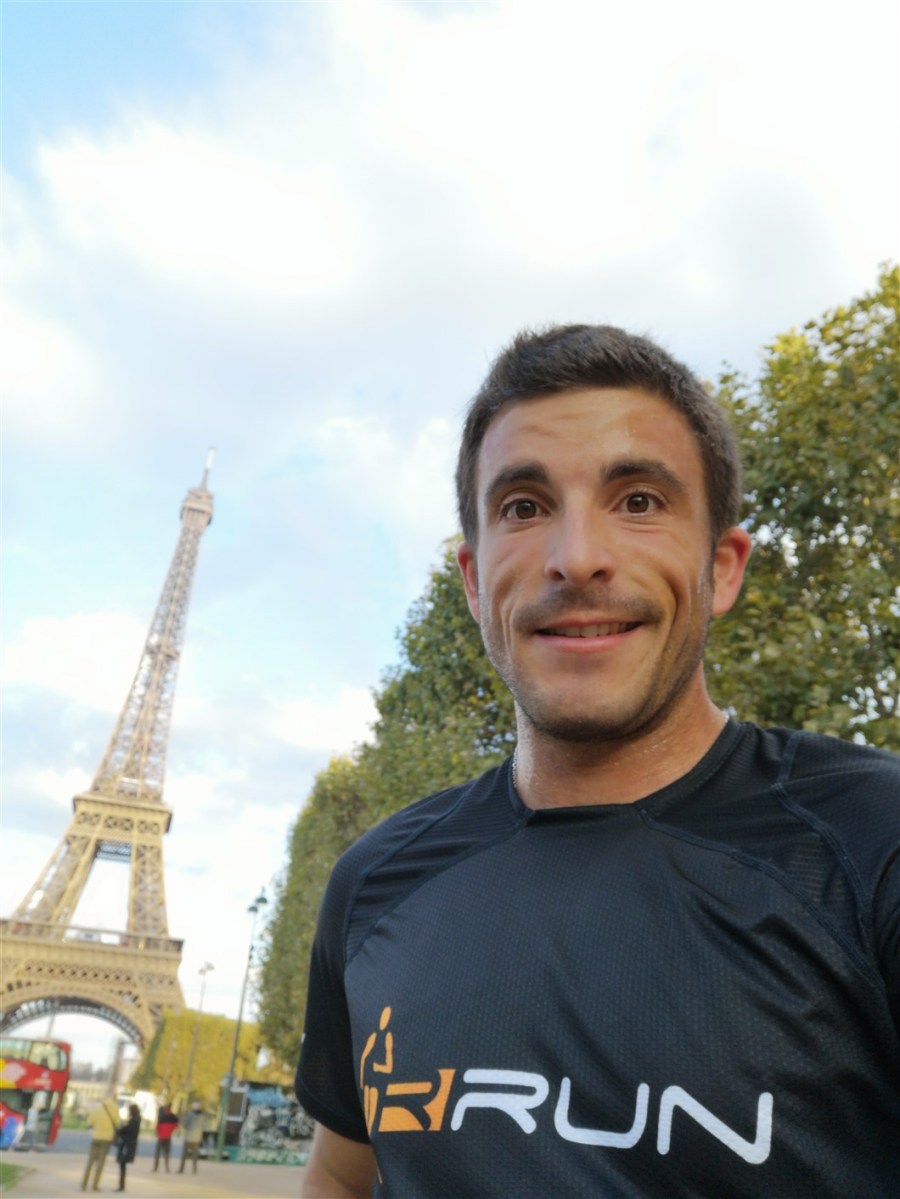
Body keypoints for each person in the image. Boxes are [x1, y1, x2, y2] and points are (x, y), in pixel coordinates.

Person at [295, 324, 900, 1198]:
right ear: (473, 580)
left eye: (639, 500)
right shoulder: (371, 884)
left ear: (723, 566)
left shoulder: (874, 845)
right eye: (523, 507)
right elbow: (341, 1175)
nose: (576, 558)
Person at [80, 1095, 119, 1191]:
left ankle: (84, 1184)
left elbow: (90, 1122)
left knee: (90, 1162)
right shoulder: (114, 1108)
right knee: (100, 1163)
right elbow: (117, 1122)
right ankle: (95, 1185)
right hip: (107, 1139)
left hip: (96, 1137)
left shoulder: (98, 1108)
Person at [114, 1103, 141, 1192]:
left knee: (122, 1164)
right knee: (123, 1165)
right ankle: (121, 1185)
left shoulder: (134, 1121)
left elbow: (127, 1130)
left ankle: (121, 1185)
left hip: (127, 1145)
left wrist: (119, 1131)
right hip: (130, 1144)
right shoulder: (137, 1119)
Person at [178, 1100, 205, 1174]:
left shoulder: (190, 1115)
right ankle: (194, 1169)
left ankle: (181, 1169)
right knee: (194, 1155)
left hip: (189, 1137)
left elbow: (185, 1125)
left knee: (184, 1154)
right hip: (197, 1138)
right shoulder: (202, 1116)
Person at [152, 1101, 178, 1172]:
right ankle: (167, 1168)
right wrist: (171, 1130)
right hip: (168, 1137)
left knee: (158, 1153)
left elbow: (158, 1126)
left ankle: (155, 1168)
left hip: (161, 1137)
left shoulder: (162, 1116)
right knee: (166, 1153)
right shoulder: (173, 1117)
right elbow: (176, 1125)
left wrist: (158, 1132)